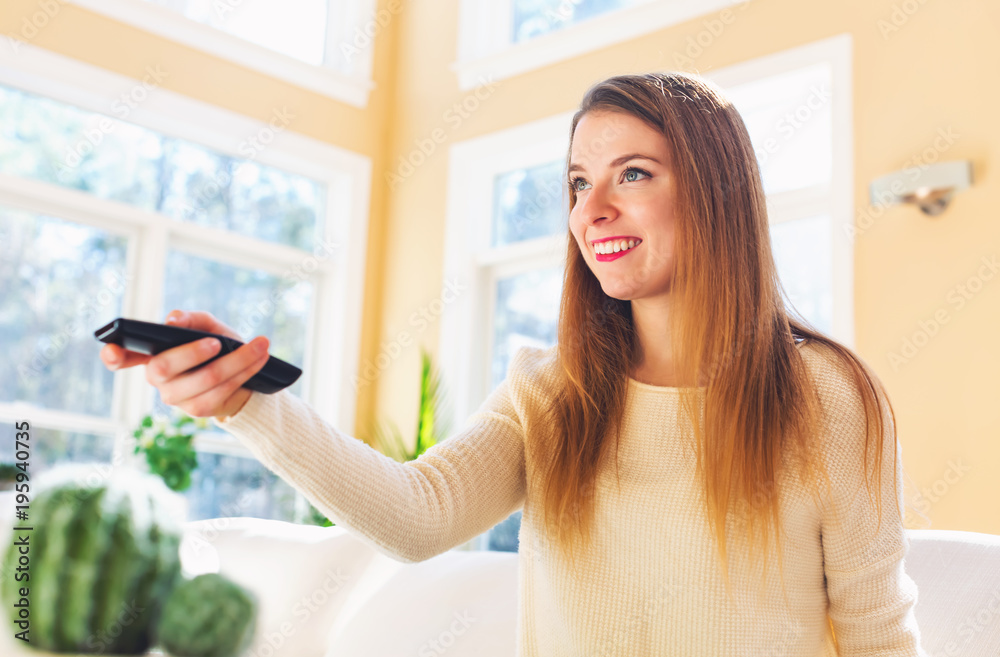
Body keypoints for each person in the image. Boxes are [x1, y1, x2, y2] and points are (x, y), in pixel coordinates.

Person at [100, 71, 928, 656]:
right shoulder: (552, 387)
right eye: (577, 182)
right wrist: (247, 403)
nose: (591, 209)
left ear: (716, 192)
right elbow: (415, 514)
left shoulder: (824, 395)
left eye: (632, 174)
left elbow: (877, 633)